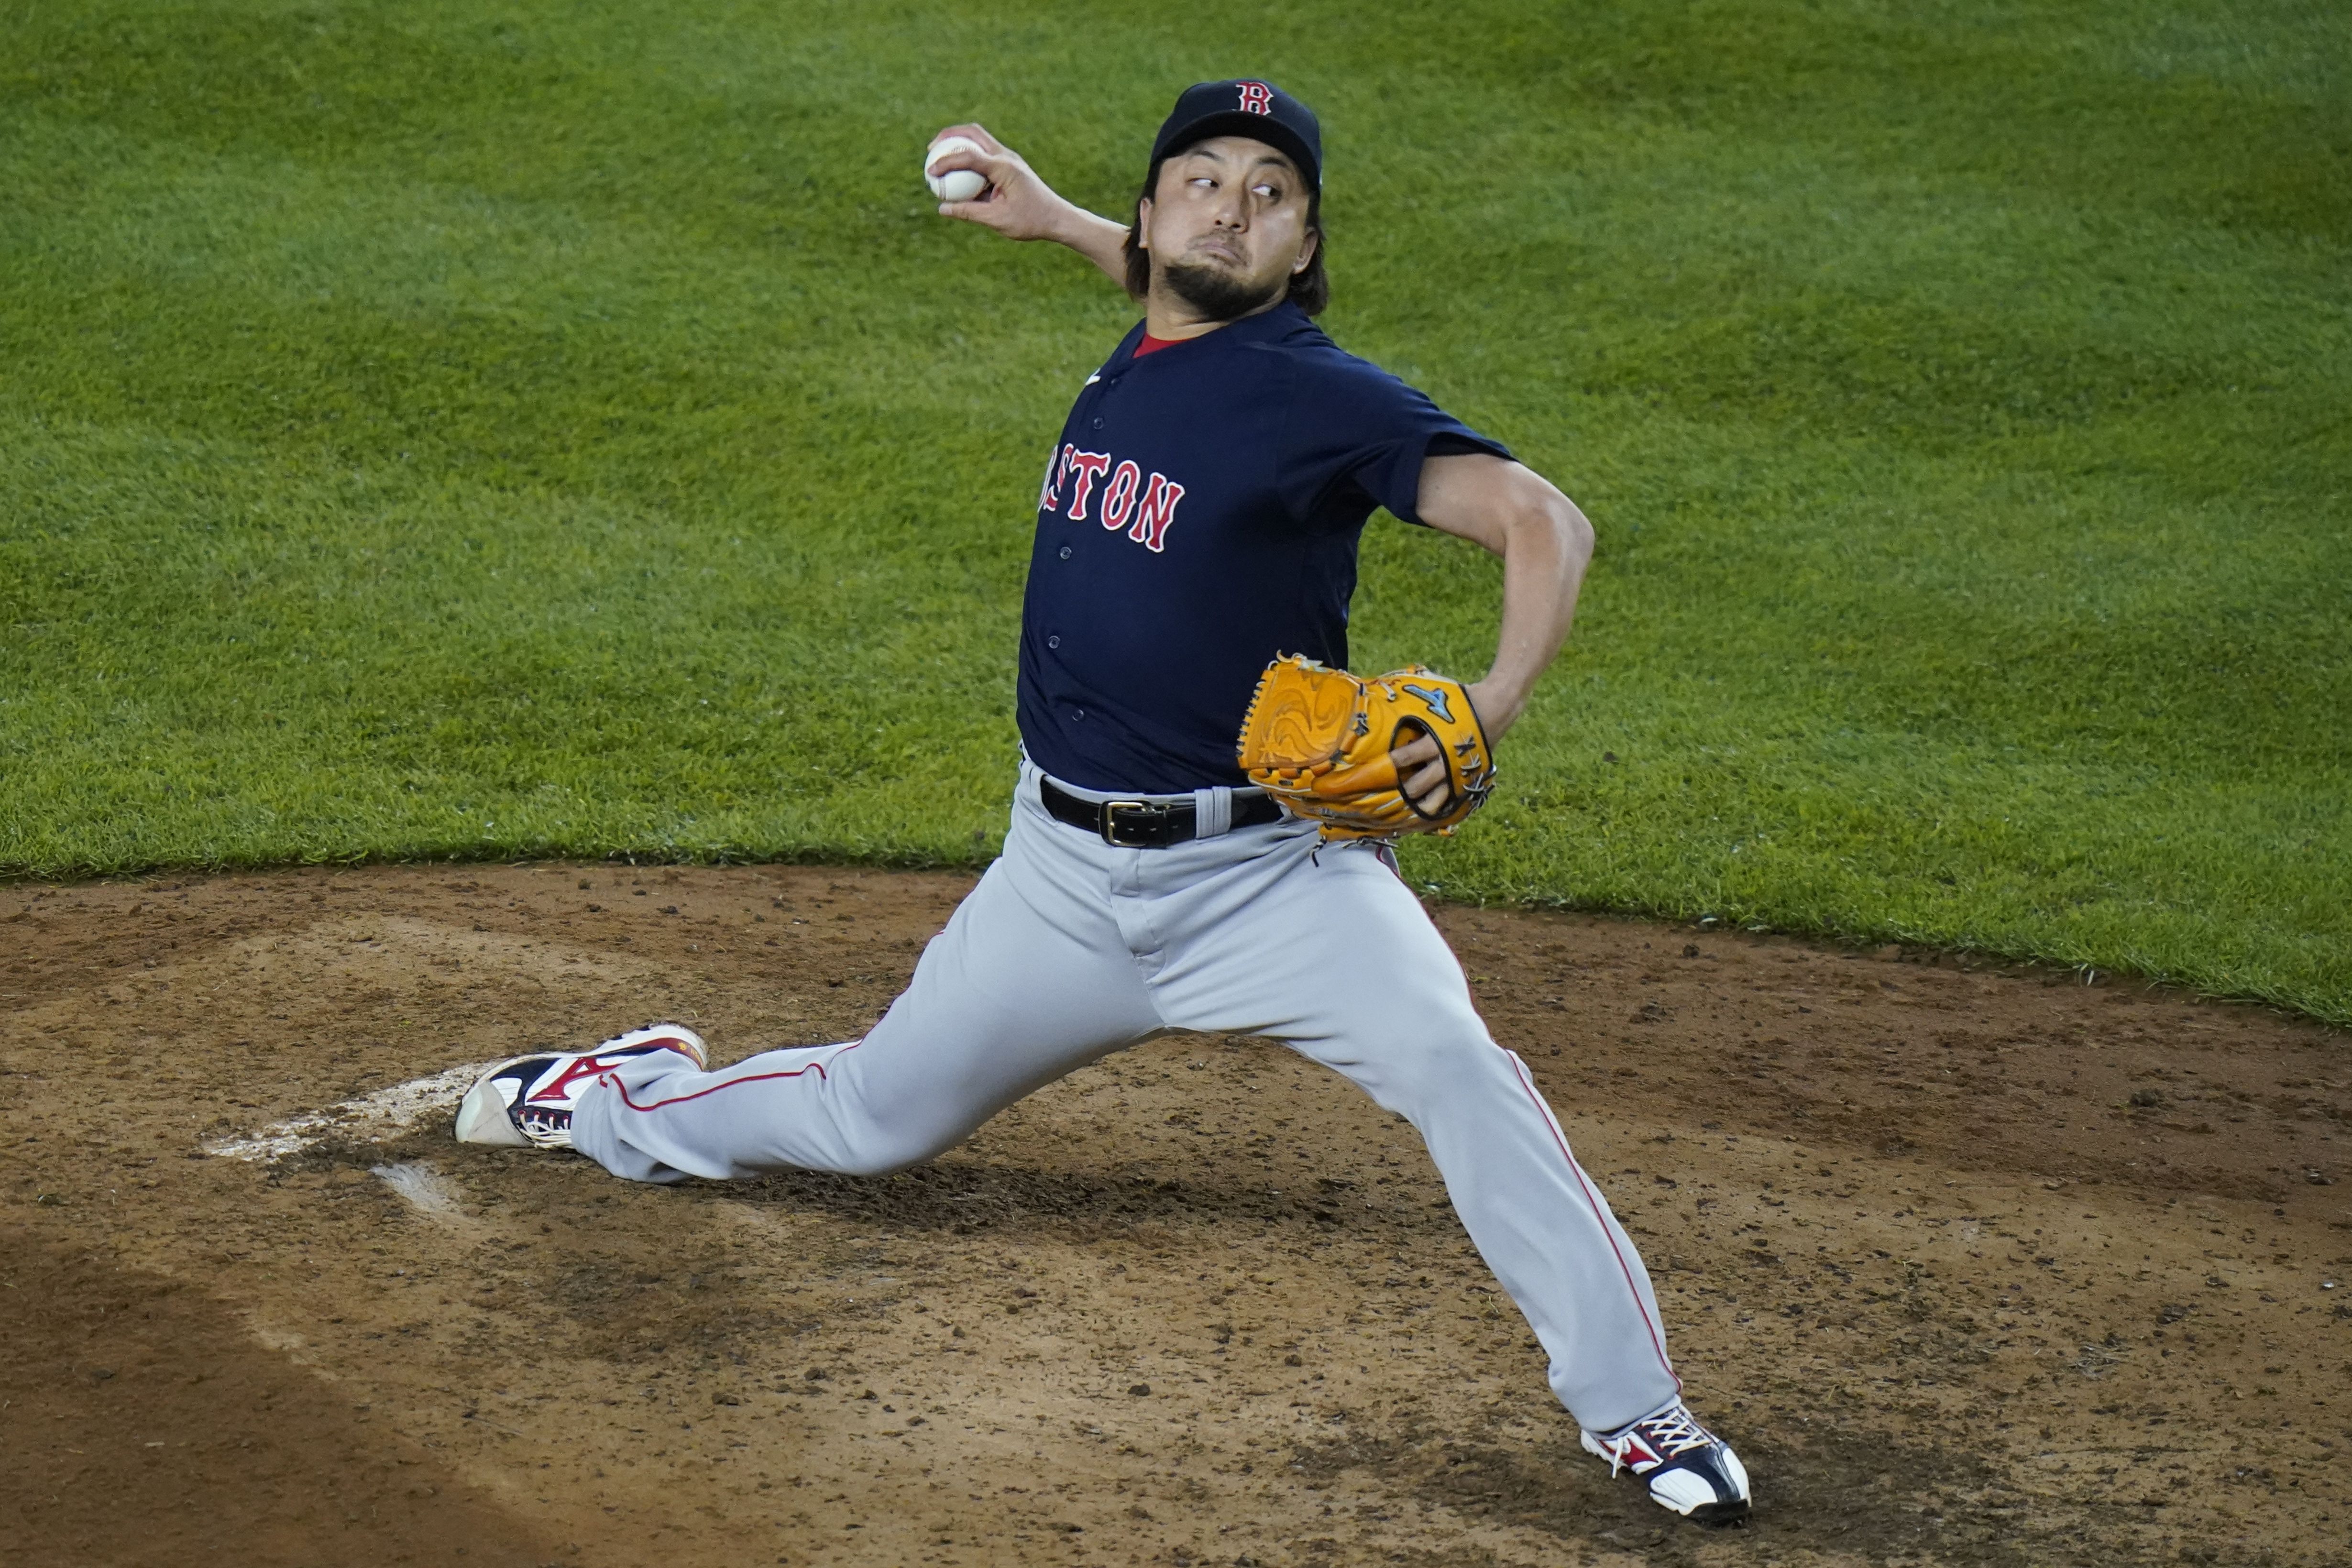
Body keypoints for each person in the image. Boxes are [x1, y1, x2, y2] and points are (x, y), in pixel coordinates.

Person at [455, 80, 1751, 1525]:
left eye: (1271, 194)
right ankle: (620, 1096)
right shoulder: (1148, 340)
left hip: (1275, 886)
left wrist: (1489, 713)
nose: (1232, 207)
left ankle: (1638, 1413)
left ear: (1304, 250)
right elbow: (1168, 298)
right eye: (1201, 179)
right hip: (1059, 882)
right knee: (874, 1117)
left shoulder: (1322, 398)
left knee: (1460, 1068)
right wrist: (1058, 220)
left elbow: (1541, 519)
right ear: (1151, 216)